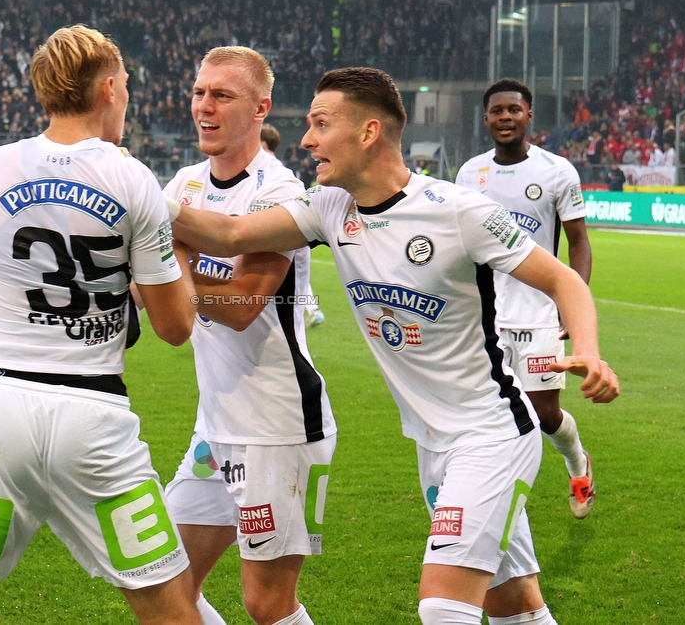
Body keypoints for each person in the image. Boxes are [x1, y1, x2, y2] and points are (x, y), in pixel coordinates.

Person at [168, 67, 619, 625]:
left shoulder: (457, 211)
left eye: (320, 124)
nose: (306, 139)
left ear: (368, 133)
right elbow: (231, 235)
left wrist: (592, 351)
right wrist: (146, 201)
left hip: (493, 436)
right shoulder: (329, 209)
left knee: (442, 608)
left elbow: (563, 279)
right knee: (515, 608)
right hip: (433, 447)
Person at [0, 25, 203, 625]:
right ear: (110, 89)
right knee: (170, 611)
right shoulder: (131, 177)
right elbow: (175, 326)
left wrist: (24, 323)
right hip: (94, 420)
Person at [163, 47, 336, 625]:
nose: (204, 107)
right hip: (213, 426)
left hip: (277, 425)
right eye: (199, 92)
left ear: (261, 108)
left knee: (267, 603)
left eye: (222, 95)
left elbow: (241, 305)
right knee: (163, 584)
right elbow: (154, 291)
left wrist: (176, 266)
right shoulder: (184, 185)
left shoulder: (279, 195)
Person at [455, 79, 596, 520]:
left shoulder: (557, 171)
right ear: (486, 118)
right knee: (485, 410)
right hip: (484, 316)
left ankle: (577, 461)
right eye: (497, 111)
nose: (505, 117)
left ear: (528, 116)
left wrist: (574, 303)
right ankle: (496, 499)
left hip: (539, 314)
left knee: (544, 414)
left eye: (514, 110)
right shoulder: (469, 174)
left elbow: (579, 243)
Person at [261, 123, 326, 328]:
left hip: (282, 230)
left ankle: (309, 313)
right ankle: (313, 311)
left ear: (262, 143)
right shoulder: (283, 170)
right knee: (298, 277)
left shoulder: (267, 172)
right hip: (296, 229)